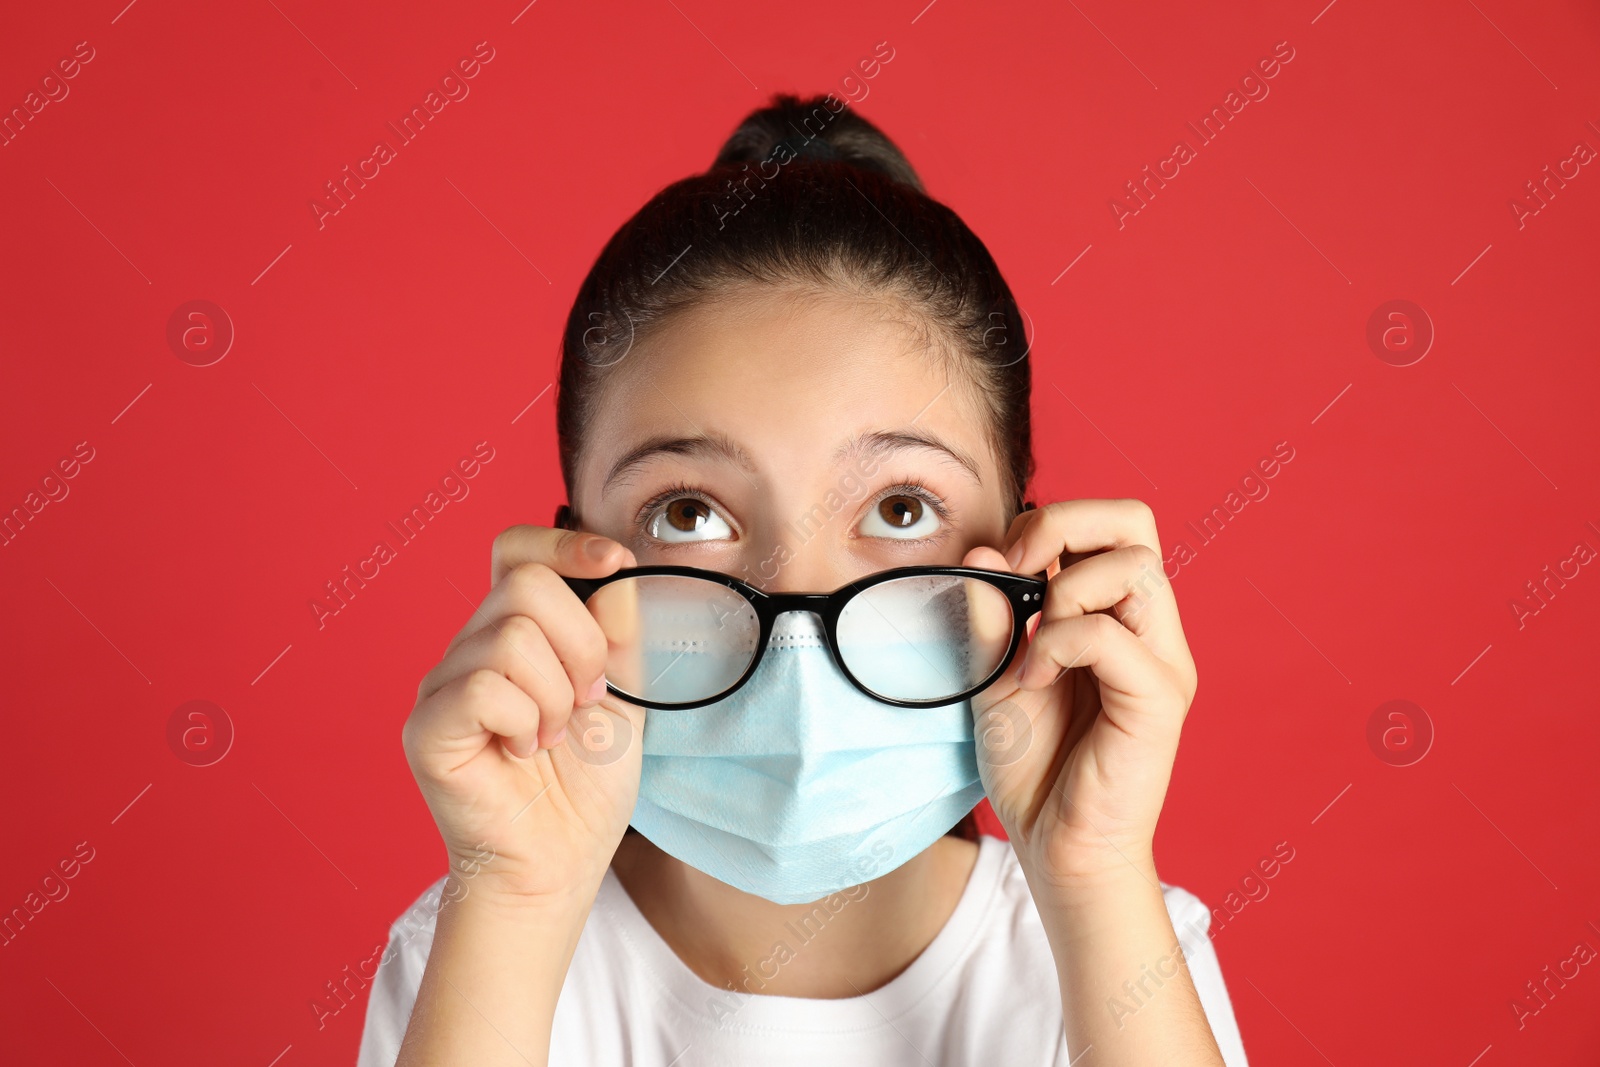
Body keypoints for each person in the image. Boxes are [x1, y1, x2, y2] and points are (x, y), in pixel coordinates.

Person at [357, 93, 1249, 1066]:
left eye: (901, 510)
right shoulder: (483, 951)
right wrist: (511, 898)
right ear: (566, 572)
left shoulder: (1122, 952)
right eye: (689, 514)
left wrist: (1094, 876)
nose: (795, 624)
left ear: (1032, 559)